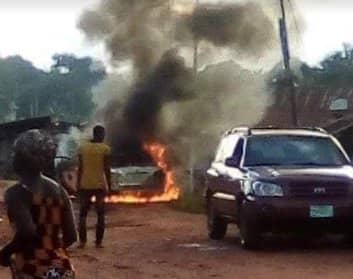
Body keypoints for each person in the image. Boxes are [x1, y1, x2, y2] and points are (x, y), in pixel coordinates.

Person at [0, 130, 77, 279]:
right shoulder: (60, 191)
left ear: (20, 159)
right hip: (62, 270)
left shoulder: (16, 193)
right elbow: (71, 236)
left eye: (14, 153)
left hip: (32, 269)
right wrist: (51, 252)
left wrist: (5, 253)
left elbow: (27, 232)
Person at [77, 125, 111, 249]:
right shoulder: (105, 149)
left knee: (82, 215)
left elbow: (80, 168)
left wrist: (78, 185)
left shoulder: (82, 148)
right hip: (100, 186)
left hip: (85, 185)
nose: (104, 136)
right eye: (103, 134)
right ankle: (98, 242)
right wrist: (109, 186)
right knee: (100, 214)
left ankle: (82, 242)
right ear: (100, 134)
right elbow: (107, 169)